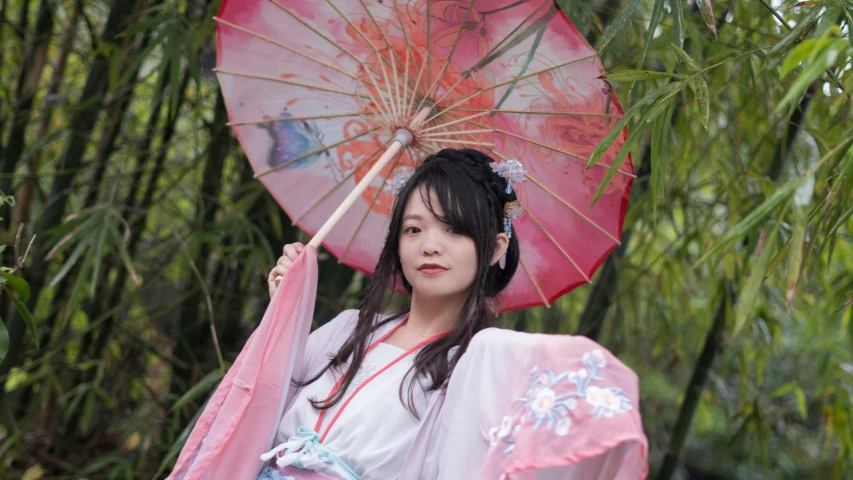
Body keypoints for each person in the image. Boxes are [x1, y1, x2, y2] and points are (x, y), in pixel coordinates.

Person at [171, 149, 647, 480]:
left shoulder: (477, 364)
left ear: (495, 247)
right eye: (414, 228)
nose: (430, 246)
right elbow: (256, 404)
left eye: (454, 230)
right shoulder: (346, 331)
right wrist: (283, 315)